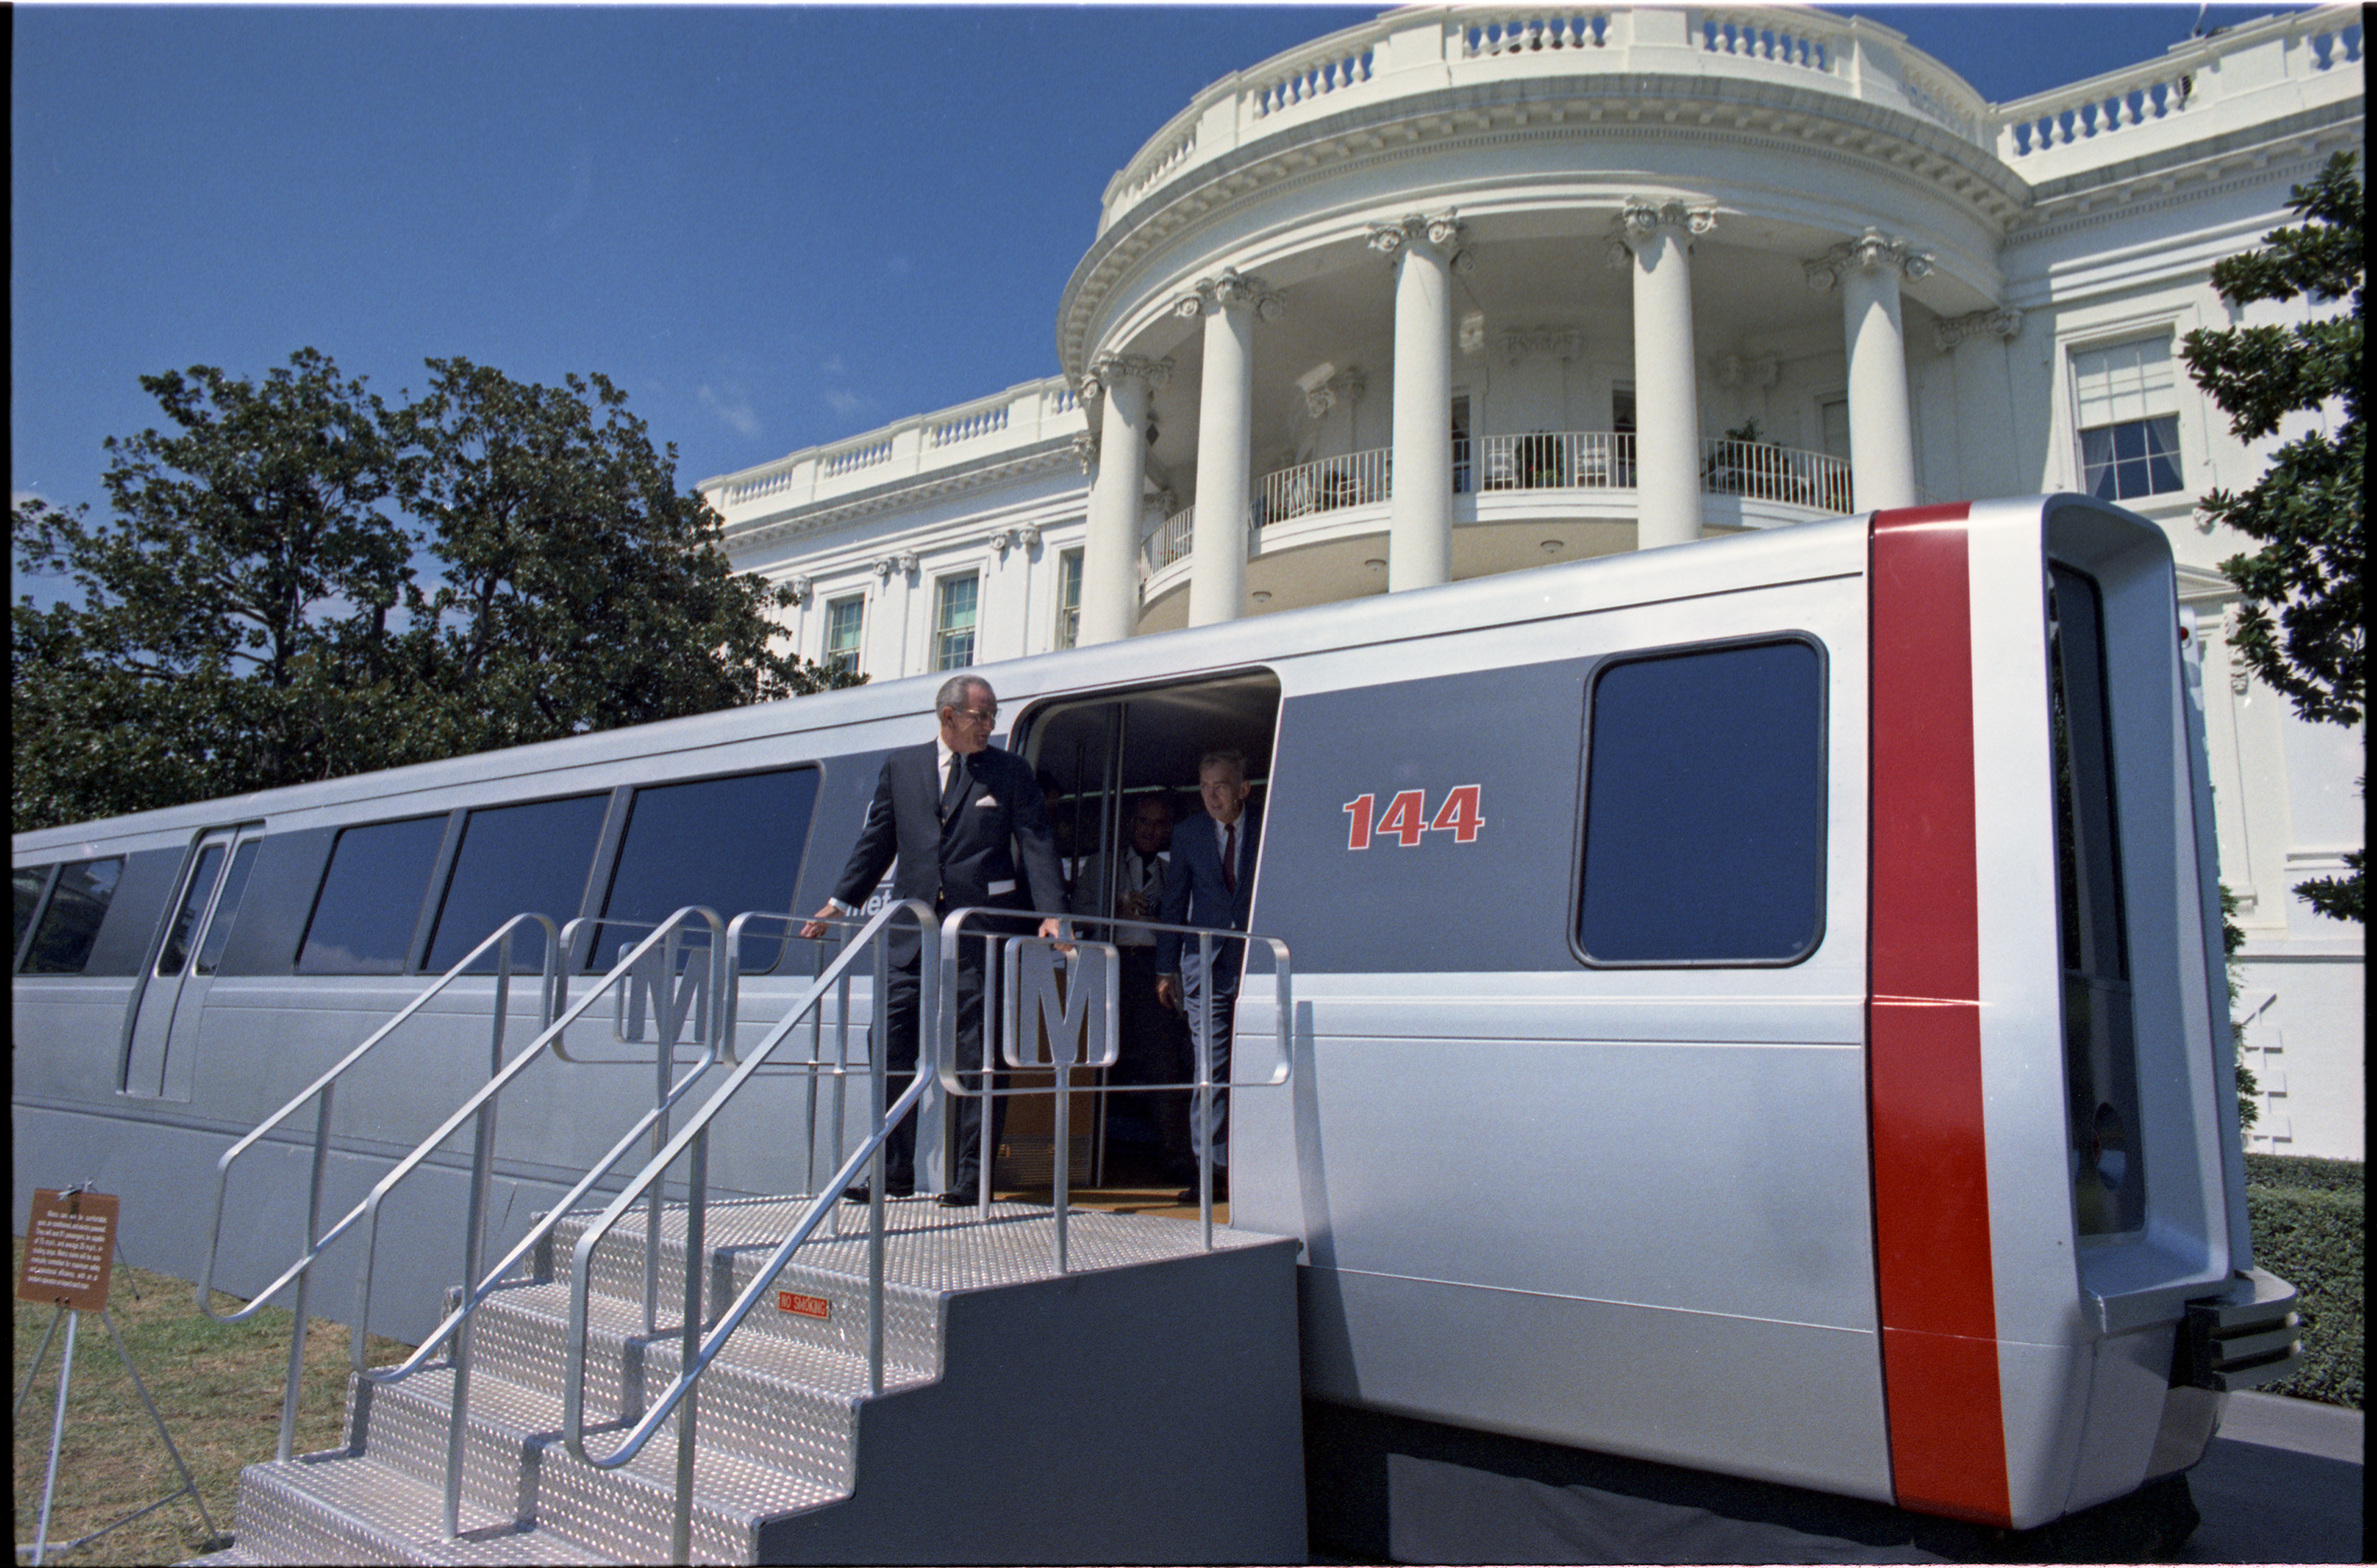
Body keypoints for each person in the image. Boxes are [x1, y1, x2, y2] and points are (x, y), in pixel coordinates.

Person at [802, 675, 1064, 1206]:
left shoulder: (1010, 772)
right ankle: (893, 1172)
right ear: (947, 716)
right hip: (911, 933)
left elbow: (1036, 840)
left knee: (977, 1053)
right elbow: (878, 840)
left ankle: (972, 1177)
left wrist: (1053, 914)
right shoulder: (902, 767)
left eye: (993, 714)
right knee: (890, 1046)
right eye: (981, 716)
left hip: (978, 934)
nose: (990, 725)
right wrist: (841, 900)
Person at [1070, 793, 1193, 1181]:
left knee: (1164, 1064)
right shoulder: (1101, 865)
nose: (1150, 830)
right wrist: (1115, 906)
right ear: (1130, 824)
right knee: (1097, 1060)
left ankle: (1175, 1158)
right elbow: (1076, 914)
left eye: (1159, 824)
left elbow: (1183, 925)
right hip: (1109, 965)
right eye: (1144, 821)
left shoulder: (1171, 871)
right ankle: (1084, 1157)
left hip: (1153, 970)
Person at [1155, 750, 1260, 1202]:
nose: (1211, 795)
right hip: (1206, 965)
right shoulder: (1188, 834)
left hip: (1258, 961)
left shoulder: (1267, 822)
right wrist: (1166, 967)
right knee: (1208, 1068)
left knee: (1257, 1062)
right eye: (1204, 786)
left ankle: (1255, 1166)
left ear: (1243, 789)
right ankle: (1210, 1171)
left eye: (1220, 786)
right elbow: (1174, 903)